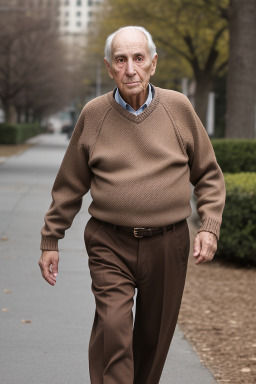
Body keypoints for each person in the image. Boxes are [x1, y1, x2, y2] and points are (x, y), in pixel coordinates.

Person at [38, 26, 226, 384]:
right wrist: (51, 239)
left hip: (168, 244)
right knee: (114, 333)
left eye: (138, 58)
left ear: (152, 64)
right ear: (109, 68)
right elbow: (68, 185)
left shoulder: (178, 108)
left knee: (152, 344)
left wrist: (209, 226)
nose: (130, 69)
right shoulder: (94, 114)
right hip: (110, 243)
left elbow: (210, 176)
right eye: (121, 60)